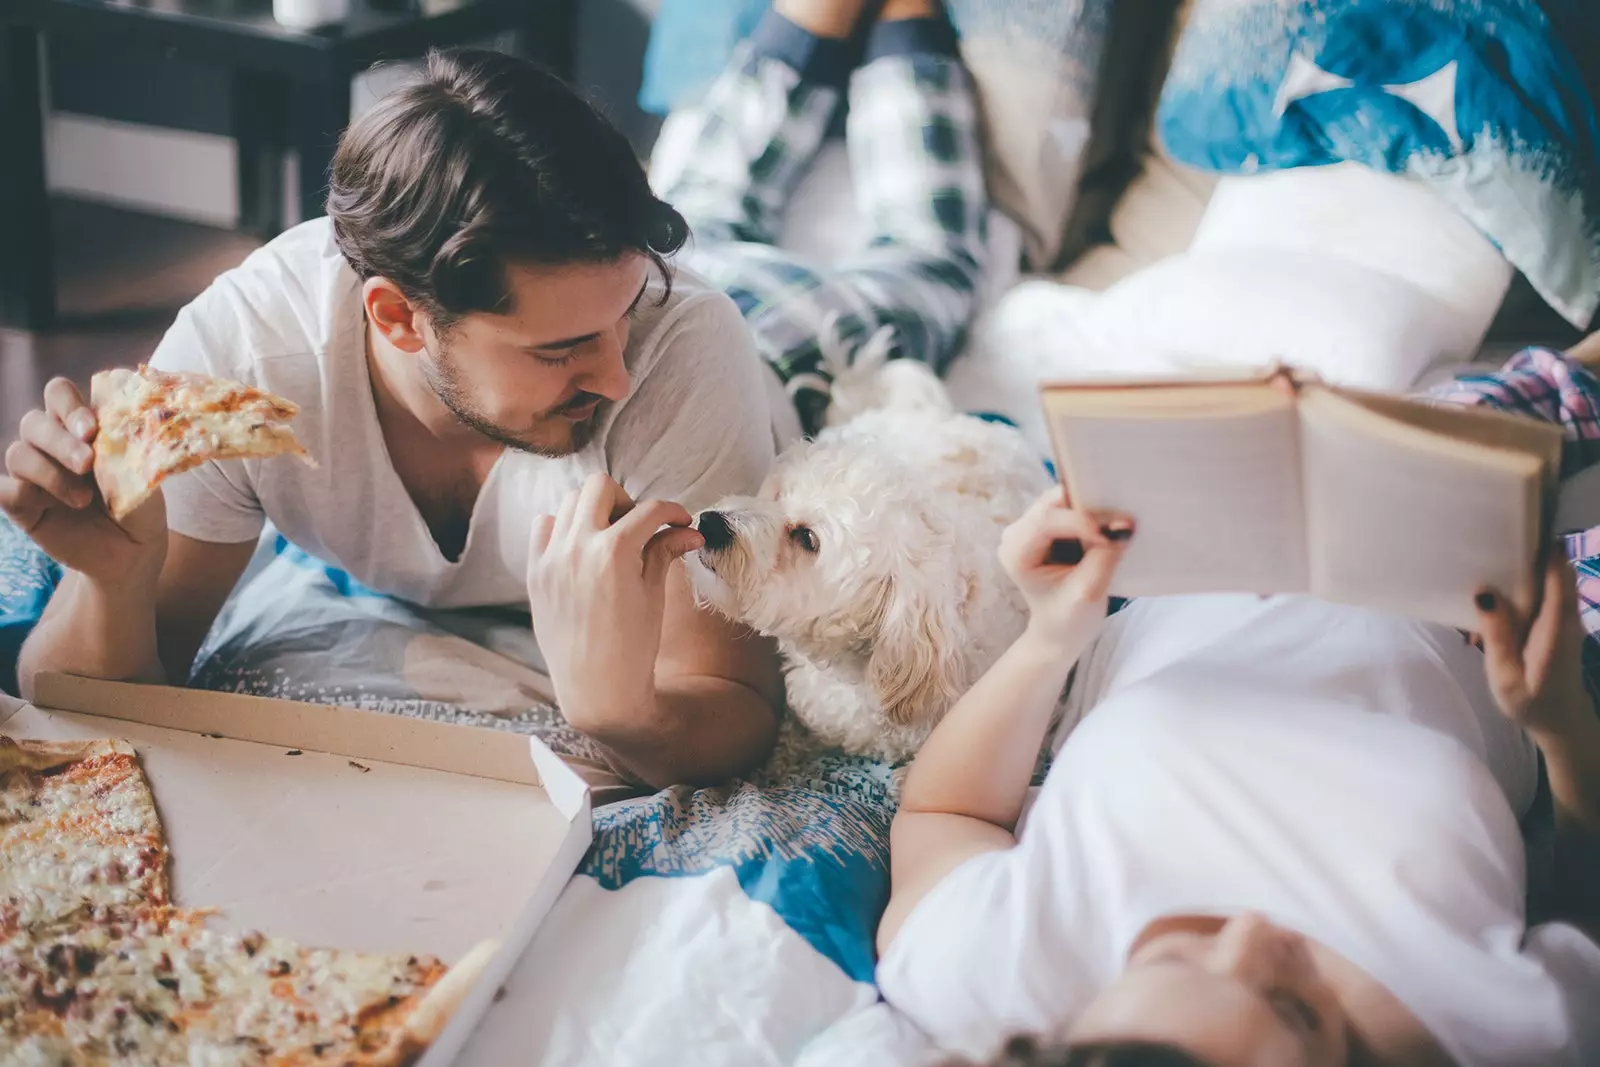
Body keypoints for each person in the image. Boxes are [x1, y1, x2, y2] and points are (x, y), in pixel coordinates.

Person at [0, 48, 786, 790]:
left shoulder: (674, 350)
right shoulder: (246, 367)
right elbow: (86, 699)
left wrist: (623, 715)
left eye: (622, 316)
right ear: (398, 318)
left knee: (875, 264)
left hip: (777, 339)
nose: (617, 377)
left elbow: (734, 697)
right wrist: (110, 581)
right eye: (560, 349)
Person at [876, 349, 1600, 1066]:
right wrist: (1564, 726)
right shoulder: (1500, 1036)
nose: (1255, 931)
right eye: (1300, 1009)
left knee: (1485, 407)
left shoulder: (987, 969)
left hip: (1216, 544)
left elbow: (945, 813)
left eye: (1175, 960)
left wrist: (1048, 639)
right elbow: (1581, 914)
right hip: (1512, 623)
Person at [649, 0, 989, 436]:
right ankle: (824, 20)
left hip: (771, 344)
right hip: (671, 289)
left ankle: (899, 23)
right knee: (703, 199)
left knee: (932, 256)